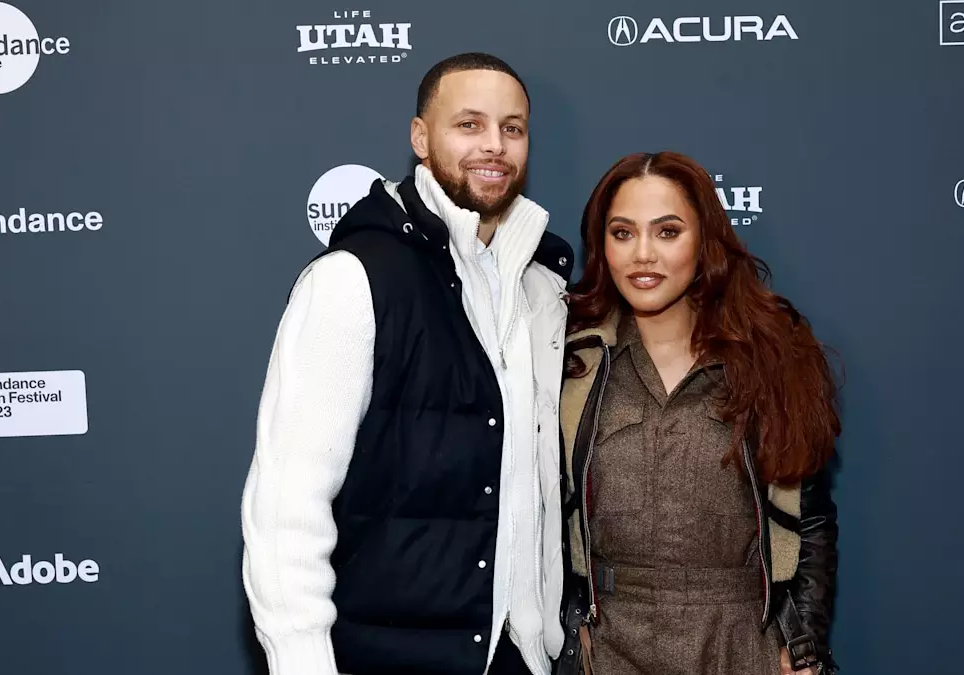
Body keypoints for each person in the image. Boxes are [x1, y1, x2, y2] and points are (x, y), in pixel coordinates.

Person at [240, 52, 574, 675]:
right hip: (385, 657)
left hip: (518, 656)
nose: (494, 146)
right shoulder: (352, 281)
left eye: (512, 127)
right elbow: (287, 508)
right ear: (421, 137)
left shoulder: (541, 290)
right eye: (469, 125)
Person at [555, 152, 841, 675]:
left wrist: (805, 642)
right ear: (602, 246)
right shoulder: (571, 360)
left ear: (704, 240)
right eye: (622, 233)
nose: (643, 254)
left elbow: (812, 515)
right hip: (610, 645)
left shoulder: (771, 356)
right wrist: (571, 625)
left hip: (742, 644)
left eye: (667, 232)